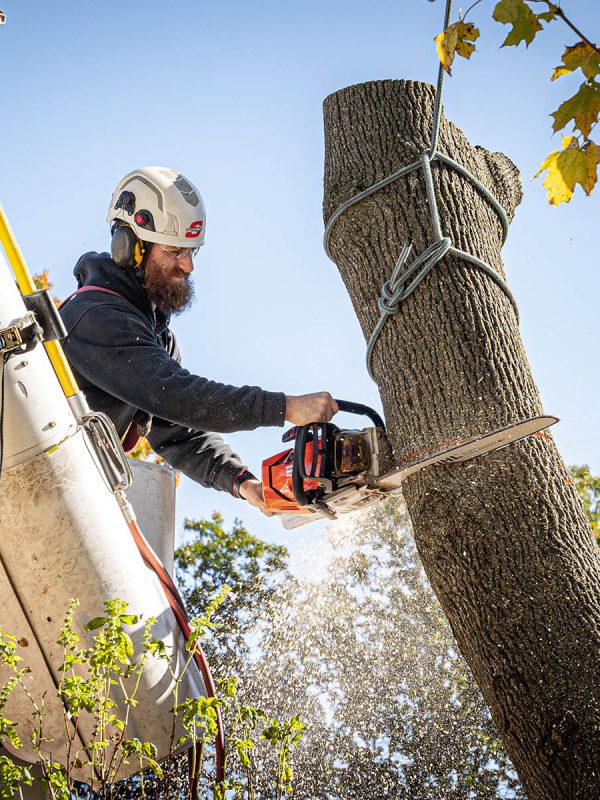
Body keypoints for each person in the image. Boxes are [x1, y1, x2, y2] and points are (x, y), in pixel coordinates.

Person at [59, 166, 338, 515]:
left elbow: (178, 432)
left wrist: (243, 483)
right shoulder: (95, 316)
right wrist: (284, 407)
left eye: (192, 251)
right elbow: (176, 396)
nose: (188, 266)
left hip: (69, 490)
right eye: (175, 252)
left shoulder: (154, 334)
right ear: (130, 248)